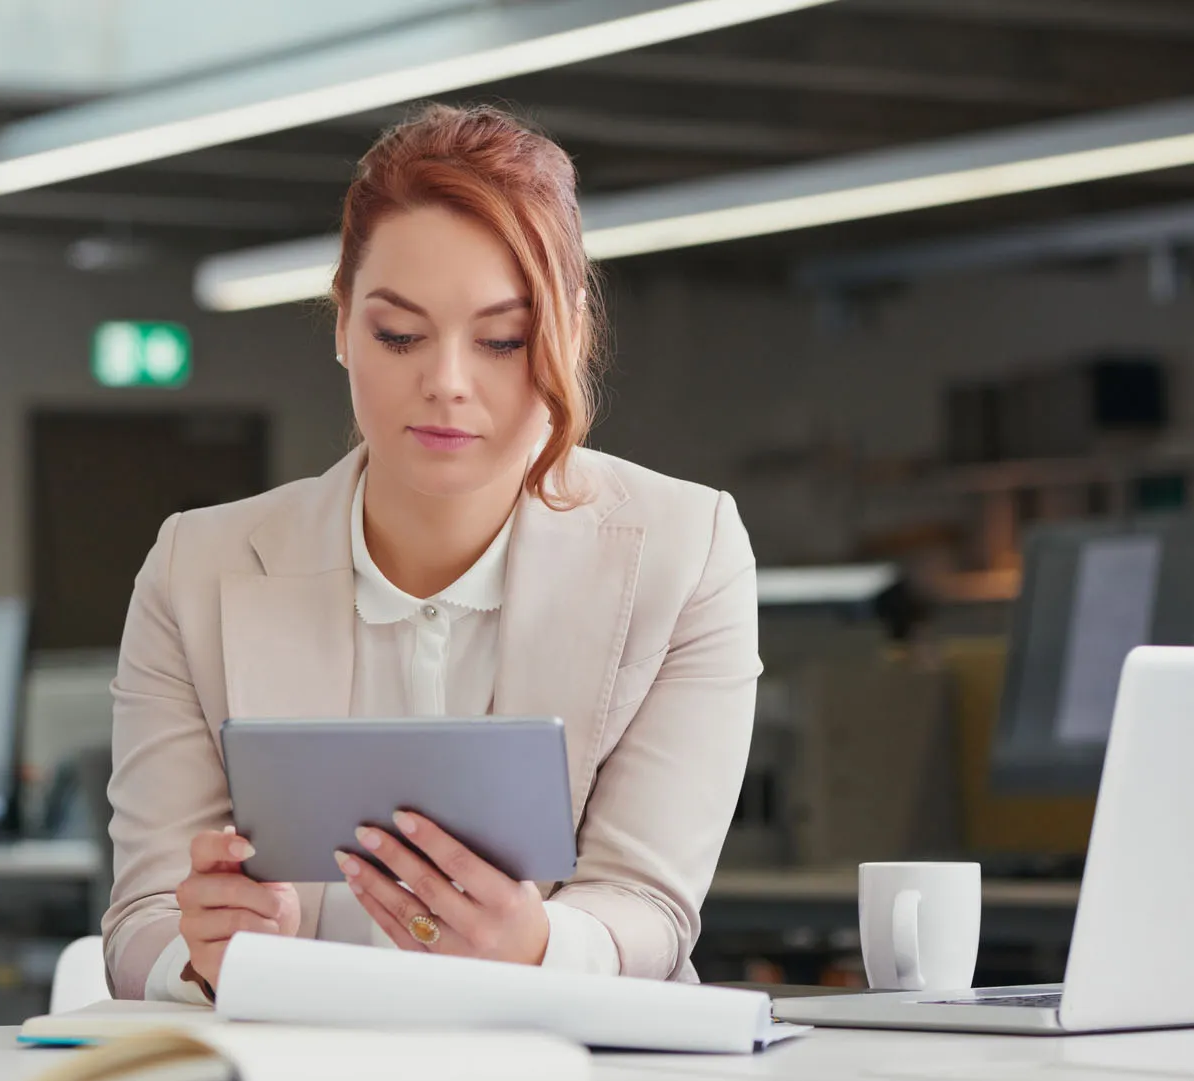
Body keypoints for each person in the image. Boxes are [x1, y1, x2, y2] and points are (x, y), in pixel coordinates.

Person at [103, 105, 760, 1003]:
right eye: (399, 335)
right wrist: (207, 950)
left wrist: (539, 948)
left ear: (566, 334)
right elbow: (141, 916)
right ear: (341, 326)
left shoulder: (686, 551)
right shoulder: (195, 567)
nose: (447, 380)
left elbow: (648, 903)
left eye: (501, 340)